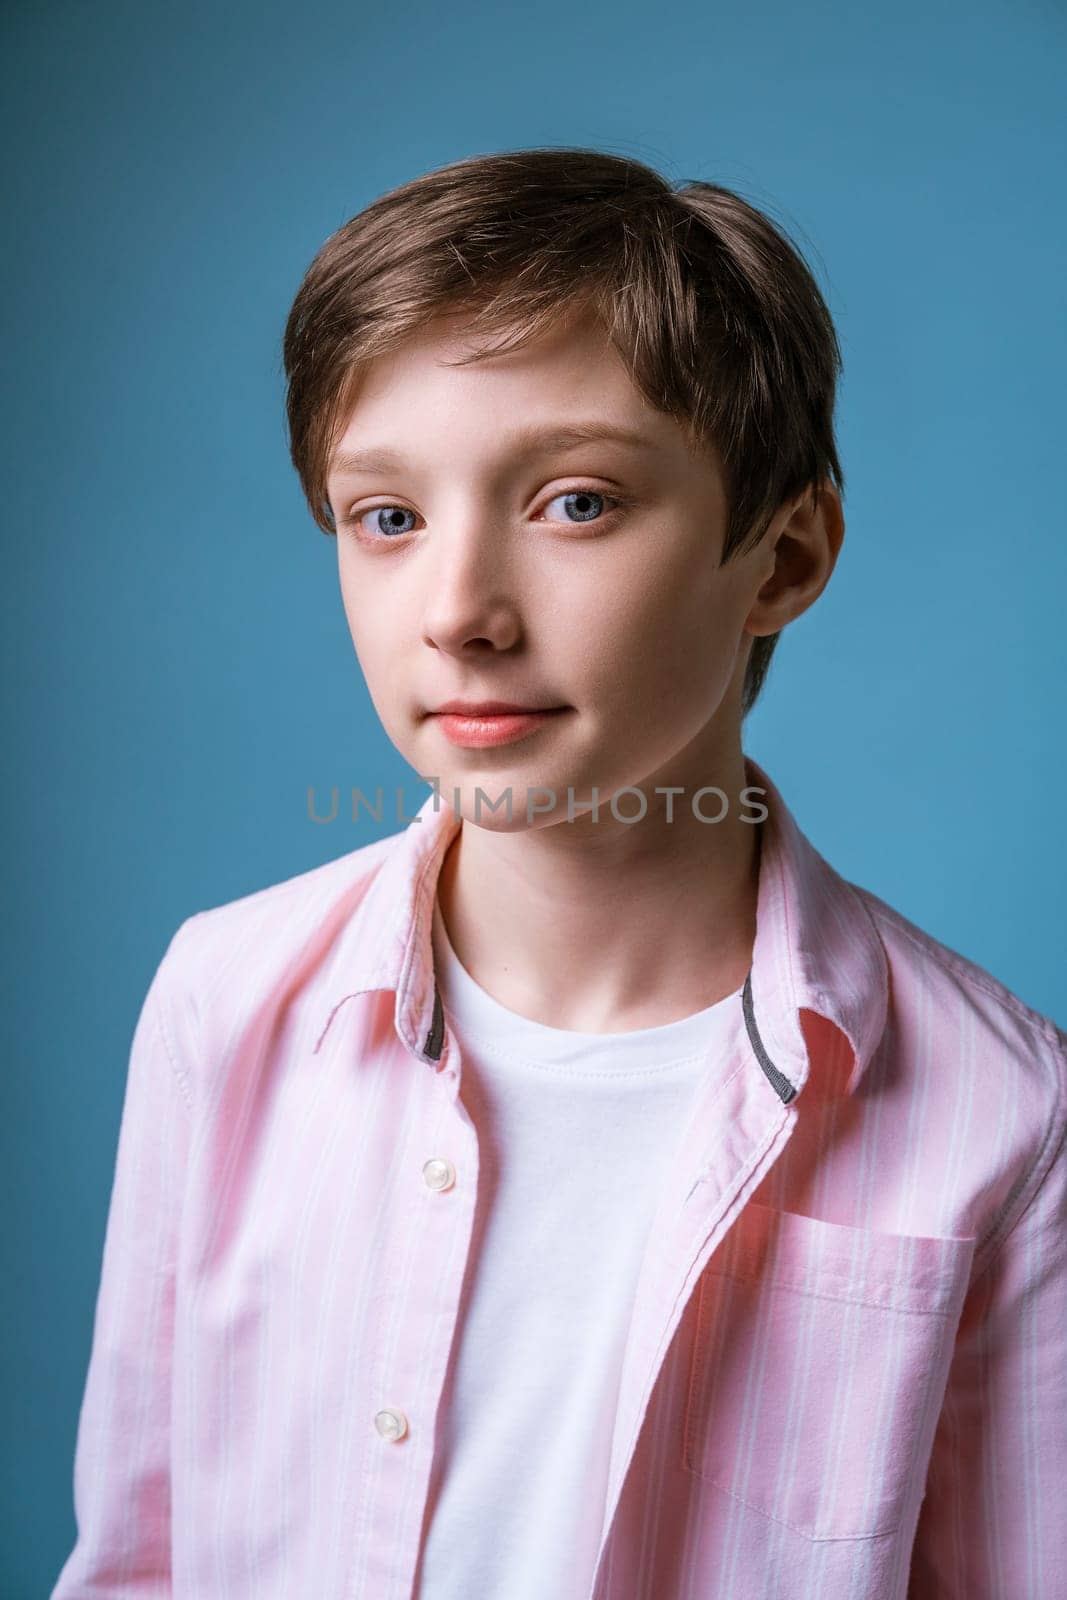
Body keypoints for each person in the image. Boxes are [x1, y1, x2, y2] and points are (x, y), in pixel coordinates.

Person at [52, 147, 1065, 1600]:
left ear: (782, 559)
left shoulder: (1006, 1117)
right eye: (386, 518)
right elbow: (136, 1564)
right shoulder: (225, 1003)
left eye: (575, 501)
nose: (458, 612)